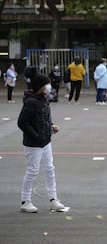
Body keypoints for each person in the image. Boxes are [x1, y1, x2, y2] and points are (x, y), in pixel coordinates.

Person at [17, 72, 65, 213]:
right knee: (33, 170)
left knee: (49, 169)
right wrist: (36, 136)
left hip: (45, 141)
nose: (49, 87)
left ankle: (53, 199)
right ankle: (25, 200)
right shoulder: (31, 102)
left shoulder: (44, 99)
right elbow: (22, 122)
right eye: (46, 84)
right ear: (40, 86)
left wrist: (51, 126)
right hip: (33, 144)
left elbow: (44, 118)